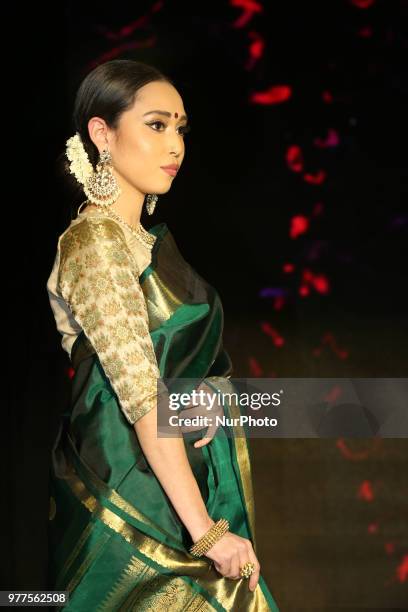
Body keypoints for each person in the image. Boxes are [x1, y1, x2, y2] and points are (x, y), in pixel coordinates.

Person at [46, 59, 280, 611]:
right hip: (130, 499)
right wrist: (208, 534)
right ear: (102, 133)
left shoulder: (142, 243)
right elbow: (143, 395)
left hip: (171, 482)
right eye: (156, 125)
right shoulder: (96, 244)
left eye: (180, 128)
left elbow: (177, 375)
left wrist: (206, 395)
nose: (175, 144)